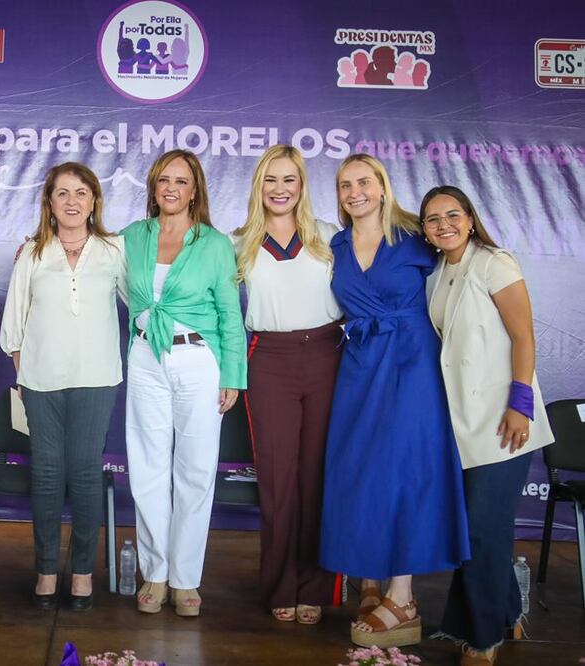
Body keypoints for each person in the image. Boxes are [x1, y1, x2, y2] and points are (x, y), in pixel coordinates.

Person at [319, 154, 469, 648]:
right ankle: (369, 577)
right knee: (360, 470)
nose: (354, 191)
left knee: (404, 470)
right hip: (360, 364)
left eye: (364, 182)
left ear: (383, 187)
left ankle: (402, 597)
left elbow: (465, 273)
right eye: (345, 185)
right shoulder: (335, 244)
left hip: (411, 363)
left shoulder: (416, 237)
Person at [420, 186, 554, 666]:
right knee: (479, 530)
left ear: (471, 219)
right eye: (433, 219)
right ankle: (508, 611)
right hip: (461, 426)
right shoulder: (437, 274)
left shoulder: (496, 262)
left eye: (452, 215)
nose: (443, 225)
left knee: (481, 532)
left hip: (504, 423)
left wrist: (520, 404)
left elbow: (523, 335)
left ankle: (482, 638)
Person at [122, 149, 246, 617]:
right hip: (145, 355)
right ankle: (155, 573)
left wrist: (233, 373)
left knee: (194, 470)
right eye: (163, 181)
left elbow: (230, 315)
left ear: (195, 190)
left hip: (197, 358)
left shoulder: (214, 243)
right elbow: (85, 253)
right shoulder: (134, 237)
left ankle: (186, 578)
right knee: (148, 466)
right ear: (153, 188)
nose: (171, 188)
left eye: (181, 181)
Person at [0, 162, 125, 611]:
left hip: (97, 378)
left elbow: (145, 300)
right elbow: (13, 323)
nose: (72, 201)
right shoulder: (33, 252)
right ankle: (47, 570)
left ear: (94, 201)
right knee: (49, 475)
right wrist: (29, 366)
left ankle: (83, 574)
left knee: (86, 474)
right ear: (49, 203)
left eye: (81, 193)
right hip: (41, 382)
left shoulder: (115, 250)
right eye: (62, 193)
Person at [231, 145, 342, 625]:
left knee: (317, 474)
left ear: (302, 186)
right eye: (271, 180)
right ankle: (279, 583)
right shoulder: (236, 242)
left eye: (289, 180)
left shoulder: (331, 237)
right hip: (269, 360)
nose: (280, 189)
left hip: (327, 355)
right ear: (259, 185)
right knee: (277, 478)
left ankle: (314, 585)